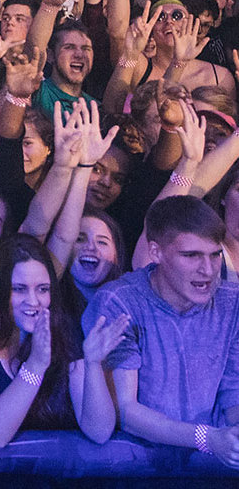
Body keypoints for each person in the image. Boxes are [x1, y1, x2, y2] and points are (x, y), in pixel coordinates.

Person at [83, 196, 239, 466]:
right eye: (191, 255)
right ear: (155, 252)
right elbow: (127, 411)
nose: (208, 270)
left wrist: (233, 435)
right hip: (135, 467)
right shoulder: (120, 303)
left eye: (215, 255)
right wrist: (207, 438)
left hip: (211, 465)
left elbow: (233, 390)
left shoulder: (231, 301)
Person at [0, 235, 127, 446]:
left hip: (57, 478)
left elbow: (100, 432)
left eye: (43, 289)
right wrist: (35, 367)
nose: (33, 301)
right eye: (19, 289)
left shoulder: (64, 340)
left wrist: (93, 364)